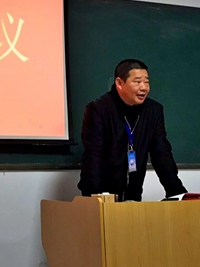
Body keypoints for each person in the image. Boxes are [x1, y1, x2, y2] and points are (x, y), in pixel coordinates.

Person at [78, 59, 187, 201]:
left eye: (146, 82)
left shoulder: (153, 111)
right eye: (137, 82)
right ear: (119, 83)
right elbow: (93, 155)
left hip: (133, 194)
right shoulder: (98, 109)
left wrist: (177, 192)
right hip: (102, 194)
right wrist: (95, 196)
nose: (144, 88)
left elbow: (161, 154)